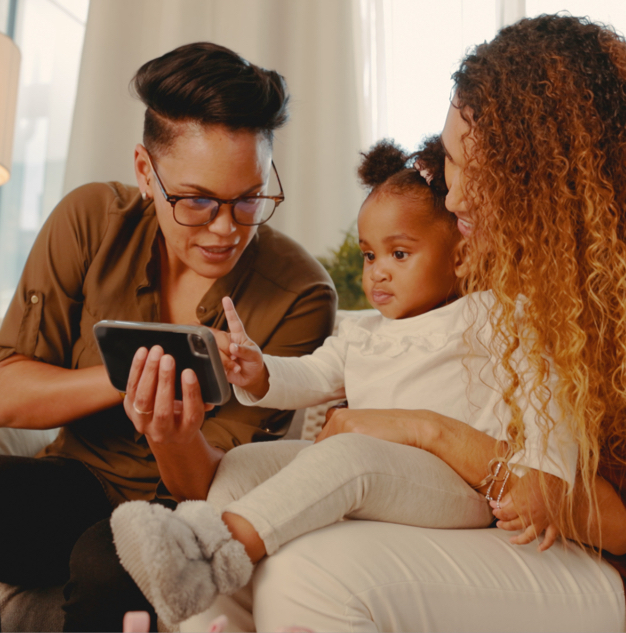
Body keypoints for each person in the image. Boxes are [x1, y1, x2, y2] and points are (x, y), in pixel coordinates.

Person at [160, 15, 626, 633]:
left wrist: (421, 429)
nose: (452, 198)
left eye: (480, 173)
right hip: (494, 522)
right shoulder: (489, 270)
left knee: (310, 571)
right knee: (258, 510)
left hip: (604, 565)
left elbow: (616, 524)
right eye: (451, 164)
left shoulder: (620, 310)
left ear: (545, 185)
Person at [110, 137, 578, 628]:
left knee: (351, 452)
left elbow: (545, 395)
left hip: (459, 488)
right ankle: (216, 621)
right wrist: (259, 368)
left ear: (460, 258)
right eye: (369, 255)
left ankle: (207, 553)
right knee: (242, 465)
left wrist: (545, 478)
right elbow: (312, 375)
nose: (378, 273)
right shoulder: (361, 332)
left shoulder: (494, 316)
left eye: (399, 254)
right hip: (380, 477)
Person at [0, 42, 336, 632]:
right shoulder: (89, 221)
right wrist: (124, 371)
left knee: (111, 565)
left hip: (185, 515)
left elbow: (218, 488)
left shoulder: (301, 294)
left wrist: (172, 438)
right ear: (144, 172)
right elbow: (7, 391)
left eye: (249, 198)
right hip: (75, 482)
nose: (226, 229)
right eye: (198, 201)